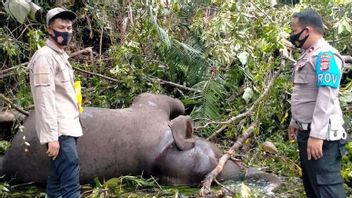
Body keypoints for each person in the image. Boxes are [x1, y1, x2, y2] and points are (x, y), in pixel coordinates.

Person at [287, 9, 346, 197]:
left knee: (327, 189)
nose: (292, 34)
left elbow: (326, 97)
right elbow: (304, 95)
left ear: (307, 30)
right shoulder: (308, 54)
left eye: (294, 30)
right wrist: (295, 122)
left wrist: (317, 136)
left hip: (322, 137)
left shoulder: (326, 56)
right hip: (307, 132)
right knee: (313, 187)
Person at [28, 7, 83, 198]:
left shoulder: (59, 56)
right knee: (70, 183)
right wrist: (52, 136)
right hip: (59, 131)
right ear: (50, 30)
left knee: (57, 180)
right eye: (62, 27)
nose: (66, 32)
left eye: (69, 28)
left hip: (68, 126)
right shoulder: (45, 57)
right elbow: (45, 100)